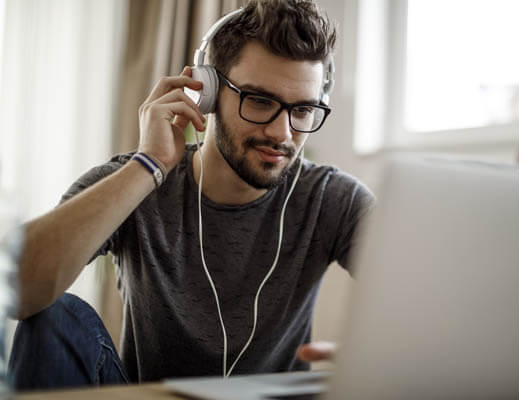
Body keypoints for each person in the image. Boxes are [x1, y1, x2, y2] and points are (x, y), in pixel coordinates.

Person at [9, 0, 374, 390]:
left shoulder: (331, 199)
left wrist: (378, 354)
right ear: (206, 92)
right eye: (260, 101)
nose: (282, 133)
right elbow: (16, 291)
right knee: (57, 315)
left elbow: (431, 298)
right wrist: (149, 165)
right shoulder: (133, 181)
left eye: (302, 109)